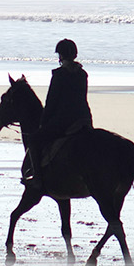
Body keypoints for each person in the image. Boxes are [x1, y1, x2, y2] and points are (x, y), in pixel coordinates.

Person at [29, 38, 92, 182]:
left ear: (61, 55)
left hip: (64, 121)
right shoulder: (83, 74)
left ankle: (37, 178)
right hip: (84, 119)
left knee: (34, 140)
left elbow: (51, 102)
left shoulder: (59, 75)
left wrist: (43, 122)